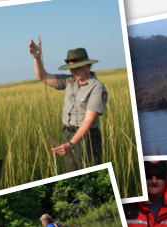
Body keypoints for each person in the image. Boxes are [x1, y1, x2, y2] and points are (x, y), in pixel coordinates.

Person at [29, 38, 108, 172]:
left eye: (77, 68)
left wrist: (71, 144)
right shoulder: (69, 81)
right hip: (67, 136)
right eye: (71, 69)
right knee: (72, 174)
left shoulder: (97, 87)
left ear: (87, 65)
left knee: (90, 175)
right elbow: (43, 77)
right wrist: (37, 58)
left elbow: (89, 120)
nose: (73, 72)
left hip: (86, 138)